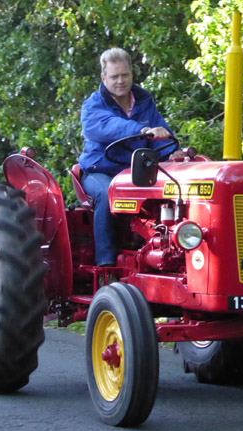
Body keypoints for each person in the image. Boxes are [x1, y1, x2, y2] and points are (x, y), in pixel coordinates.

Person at [79, 48, 179, 267]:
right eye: (114, 76)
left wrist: (171, 151)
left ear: (132, 75)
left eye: (125, 75)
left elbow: (159, 131)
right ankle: (105, 264)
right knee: (108, 193)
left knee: (174, 189)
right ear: (104, 78)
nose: (121, 81)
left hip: (137, 172)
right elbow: (109, 126)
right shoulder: (93, 106)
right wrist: (141, 131)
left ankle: (167, 254)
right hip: (101, 171)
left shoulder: (144, 102)